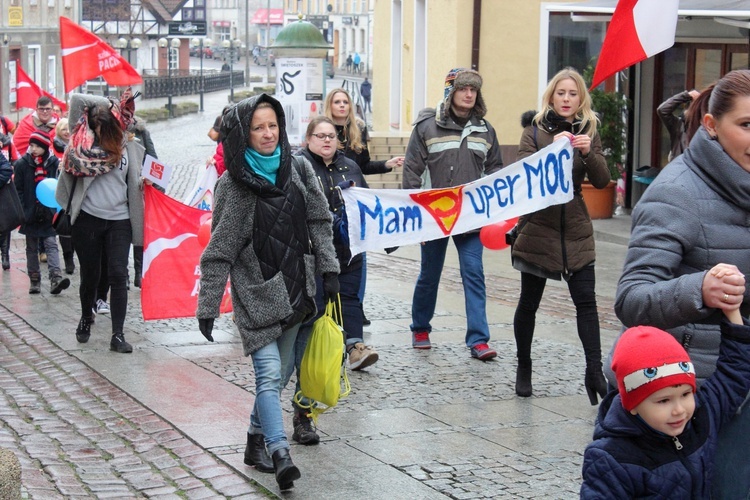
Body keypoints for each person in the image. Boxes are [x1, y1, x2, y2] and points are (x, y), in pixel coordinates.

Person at [610, 69, 750, 499]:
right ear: (710, 124)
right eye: (746, 125)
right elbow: (631, 298)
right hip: (703, 399)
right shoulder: (676, 193)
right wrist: (700, 289)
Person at [196, 94, 339, 490]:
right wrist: (207, 305)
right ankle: (279, 453)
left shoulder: (298, 168)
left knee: (283, 373)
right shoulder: (233, 185)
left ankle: (254, 439)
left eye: (272, 125)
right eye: (258, 127)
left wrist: (328, 269)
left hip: (297, 286)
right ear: (244, 132)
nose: (267, 133)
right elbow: (218, 250)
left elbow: (319, 220)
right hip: (257, 293)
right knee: (269, 373)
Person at [581, 298, 750, 498]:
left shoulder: (701, 417)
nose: (679, 409)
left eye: (686, 394)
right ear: (633, 405)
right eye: (663, 400)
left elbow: (733, 374)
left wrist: (732, 312)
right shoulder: (611, 459)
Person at [510, 67, 610, 403]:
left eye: (573, 94)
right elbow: (522, 176)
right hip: (538, 227)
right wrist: (548, 151)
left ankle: (593, 369)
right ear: (551, 96)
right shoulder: (534, 132)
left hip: (576, 231)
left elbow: (600, 180)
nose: (566, 99)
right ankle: (524, 366)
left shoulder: (588, 131)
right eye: (561, 93)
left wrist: (587, 152)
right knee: (529, 304)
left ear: (581, 98)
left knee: (587, 304)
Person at [402, 67, 503, 359]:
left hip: (471, 217)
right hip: (434, 216)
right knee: (429, 274)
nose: (469, 94)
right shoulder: (426, 127)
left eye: (473, 89)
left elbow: (495, 169)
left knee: (474, 273)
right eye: (463, 89)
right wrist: (415, 220)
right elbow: (411, 172)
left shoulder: (486, 130)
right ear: (451, 92)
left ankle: (478, 340)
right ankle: (420, 327)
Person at [55, 90, 144, 355]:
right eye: (101, 127)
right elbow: (76, 100)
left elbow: (145, 177)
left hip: (120, 221)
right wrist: (109, 105)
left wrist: (147, 184)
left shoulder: (130, 146)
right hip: (88, 219)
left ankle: (118, 334)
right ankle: (86, 316)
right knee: (90, 276)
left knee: (119, 274)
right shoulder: (82, 142)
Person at [323, 88, 404, 326]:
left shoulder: (357, 130)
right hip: (333, 199)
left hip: (357, 200)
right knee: (334, 254)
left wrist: (387, 165)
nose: (341, 106)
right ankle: (333, 304)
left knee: (360, 253)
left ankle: (356, 306)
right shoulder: (324, 131)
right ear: (330, 105)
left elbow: (364, 165)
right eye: (337, 102)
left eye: (345, 101)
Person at [14, 130, 69, 295]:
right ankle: (35, 279)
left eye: (37, 146)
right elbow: (19, 189)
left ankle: (56, 277)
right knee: (31, 247)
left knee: (51, 244)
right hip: (30, 212)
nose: (33, 149)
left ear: (45, 147)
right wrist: (23, 210)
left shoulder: (53, 163)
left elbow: (58, 185)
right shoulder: (23, 164)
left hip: (48, 211)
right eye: (31, 145)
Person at [657, 89, 700, 163]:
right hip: (678, 168)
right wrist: (686, 95)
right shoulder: (678, 125)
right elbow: (662, 110)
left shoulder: (706, 129)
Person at [0, 113, 18, 271]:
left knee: (4, 223)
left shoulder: (7, 144)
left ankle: (5, 254)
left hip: (3, 188)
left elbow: (10, 164)